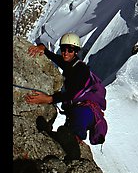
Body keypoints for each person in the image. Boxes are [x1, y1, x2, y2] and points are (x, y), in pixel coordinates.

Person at [25, 32, 95, 160]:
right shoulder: (70, 64)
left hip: (85, 111)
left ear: (76, 51)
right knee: (64, 134)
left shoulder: (81, 69)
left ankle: (74, 155)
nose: (66, 53)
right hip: (78, 111)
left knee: (69, 135)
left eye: (70, 49)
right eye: (63, 49)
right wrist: (42, 48)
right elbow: (55, 58)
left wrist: (48, 99)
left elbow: (72, 93)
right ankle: (70, 149)